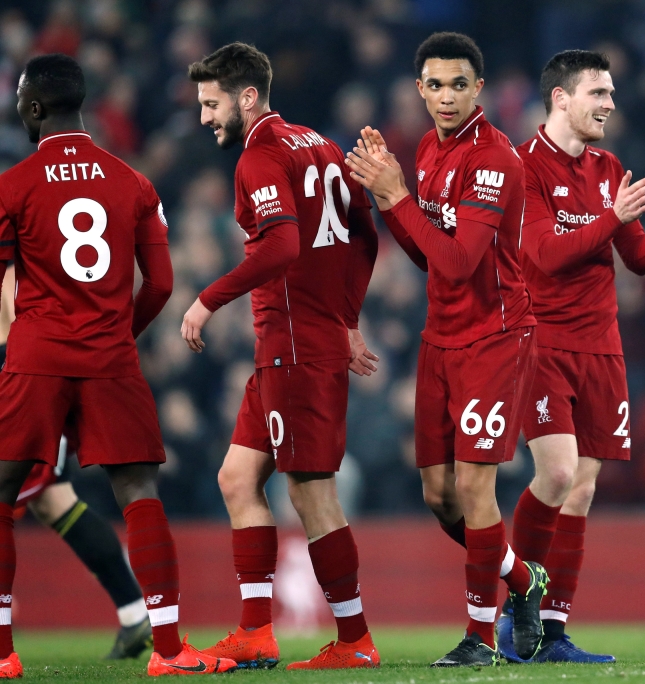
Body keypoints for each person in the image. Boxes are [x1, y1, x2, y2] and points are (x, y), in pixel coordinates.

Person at [0, 53, 236, 677]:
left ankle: (1, 656)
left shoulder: (12, 185)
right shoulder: (133, 183)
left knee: (1, 491)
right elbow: (160, 283)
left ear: (31, 107)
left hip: (36, 356)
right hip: (110, 357)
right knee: (138, 494)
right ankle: (167, 649)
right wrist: (117, 336)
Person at [501, 50, 645, 664]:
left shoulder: (609, 167)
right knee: (556, 474)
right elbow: (544, 253)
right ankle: (514, 602)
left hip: (602, 346)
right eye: (597, 92)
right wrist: (609, 217)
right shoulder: (522, 168)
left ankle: (552, 631)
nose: (609, 103)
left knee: (585, 487)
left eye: (611, 93)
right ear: (561, 99)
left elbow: (638, 257)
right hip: (542, 342)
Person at [345, 32, 545, 667]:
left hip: (493, 336)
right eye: (435, 85)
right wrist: (389, 198)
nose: (446, 96)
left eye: (459, 84)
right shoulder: (430, 148)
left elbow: (459, 263)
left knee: (474, 487)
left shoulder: (494, 159)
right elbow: (428, 258)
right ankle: (522, 580)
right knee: (438, 495)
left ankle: (480, 640)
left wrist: (397, 195)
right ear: (419, 90)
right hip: (441, 338)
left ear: (478, 88)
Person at [182, 42, 380, 671]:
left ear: (247, 97)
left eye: (212, 104)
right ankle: (255, 634)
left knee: (312, 493)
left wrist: (207, 300)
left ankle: (355, 641)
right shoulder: (317, 143)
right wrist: (347, 316)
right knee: (237, 479)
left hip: (294, 346)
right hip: (292, 345)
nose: (205, 118)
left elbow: (283, 246)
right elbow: (365, 231)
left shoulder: (261, 156)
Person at [0, 266, 153, 661]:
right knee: (52, 500)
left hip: (20, 363)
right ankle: (136, 612)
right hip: (37, 357)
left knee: (40, 495)